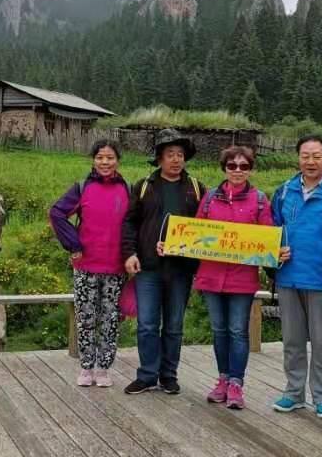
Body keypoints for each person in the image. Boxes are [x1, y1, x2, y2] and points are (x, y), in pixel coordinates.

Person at [269, 134, 322, 419]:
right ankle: (293, 393)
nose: (311, 161)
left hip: (321, 279)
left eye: (317, 156)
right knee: (292, 341)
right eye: (305, 156)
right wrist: (274, 253)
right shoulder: (283, 191)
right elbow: (272, 231)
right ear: (298, 158)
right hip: (288, 277)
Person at [121, 129, 207, 395]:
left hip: (181, 269)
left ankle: (169, 375)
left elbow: (207, 227)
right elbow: (130, 222)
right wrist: (130, 253)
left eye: (180, 154)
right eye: (170, 154)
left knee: (174, 326)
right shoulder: (143, 186)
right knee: (147, 324)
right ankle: (147, 375)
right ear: (159, 158)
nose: (176, 159)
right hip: (148, 266)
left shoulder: (196, 188)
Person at [189, 146, 273, 409]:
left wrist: (275, 250)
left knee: (237, 331)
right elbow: (194, 234)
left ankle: (236, 383)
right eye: (232, 166)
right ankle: (223, 379)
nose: (237, 170)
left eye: (244, 166)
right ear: (224, 168)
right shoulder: (210, 198)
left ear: (251, 170)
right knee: (218, 330)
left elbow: (268, 236)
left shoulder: (260, 200)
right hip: (211, 275)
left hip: (242, 278)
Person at [49, 139, 130, 387]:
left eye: (110, 158)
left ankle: (103, 368)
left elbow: (134, 224)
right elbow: (57, 212)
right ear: (93, 160)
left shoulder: (127, 189)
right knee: (85, 318)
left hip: (116, 267)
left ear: (118, 161)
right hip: (86, 266)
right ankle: (86, 367)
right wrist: (74, 245)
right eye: (100, 157)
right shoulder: (82, 187)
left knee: (110, 319)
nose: (105, 162)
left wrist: (133, 255)